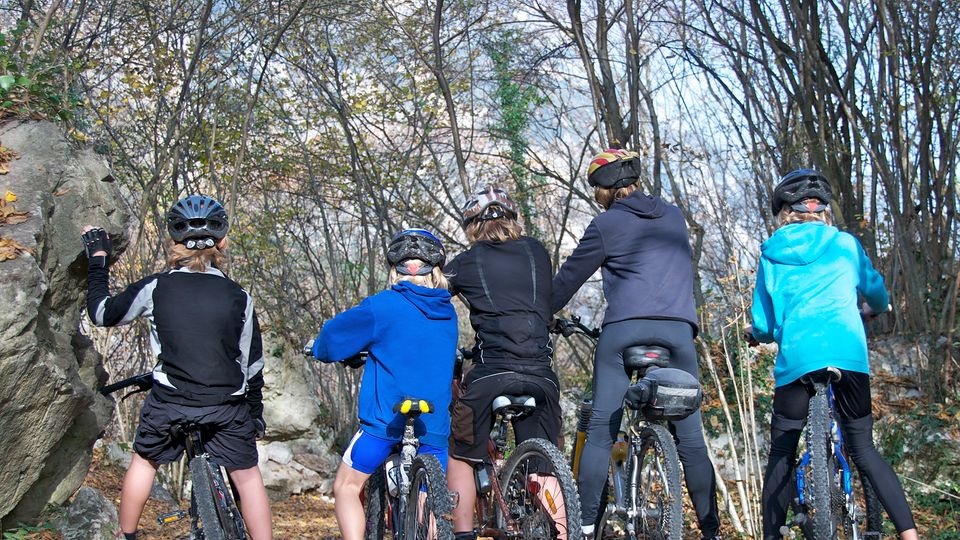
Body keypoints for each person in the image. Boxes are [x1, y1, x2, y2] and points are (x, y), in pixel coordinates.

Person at [552, 148, 721, 540]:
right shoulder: (674, 217)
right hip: (679, 333)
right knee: (691, 437)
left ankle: (585, 525)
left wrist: (542, 314)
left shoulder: (606, 224)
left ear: (604, 188)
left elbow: (567, 281)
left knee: (600, 430)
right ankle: (710, 530)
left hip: (624, 331)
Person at [82, 195, 272, 540]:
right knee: (246, 476)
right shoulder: (238, 295)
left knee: (145, 461)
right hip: (226, 406)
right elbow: (252, 365)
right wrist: (254, 413)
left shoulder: (157, 287)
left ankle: (127, 535)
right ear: (223, 241)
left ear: (173, 242)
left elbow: (101, 314)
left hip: (171, 402)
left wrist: (98, 260)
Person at [748, 168, 918, 540]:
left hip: (798, 359)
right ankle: (909, 534)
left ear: (784, 211)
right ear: (823, 209)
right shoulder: (845, 244)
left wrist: (758, 333)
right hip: (848, 353)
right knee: (863, 449)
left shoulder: (771, 253)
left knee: (782, 450)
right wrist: (873, 308)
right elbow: (877, 294)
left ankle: (772, 536)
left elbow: (763, 321)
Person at [309, 229, 458, 540]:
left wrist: (319, 347)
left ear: (396, 269)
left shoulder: (383, 305)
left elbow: (333, 338)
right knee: (427, 502)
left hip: (385, 425)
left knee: (346, 487)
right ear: (436, 271)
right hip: (433, 428)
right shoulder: (448, 312)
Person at [444, 186, 565, 540]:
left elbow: (431, 292)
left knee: (462, 453)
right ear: (514, 220)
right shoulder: (537, 252)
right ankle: (564, 529)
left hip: (491, 373)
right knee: (543, 466)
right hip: (542, 376)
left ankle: (464, 533)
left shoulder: (467, 262)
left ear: (471, 228)